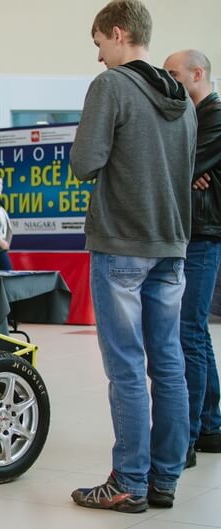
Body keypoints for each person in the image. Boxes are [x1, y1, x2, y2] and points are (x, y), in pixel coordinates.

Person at [69, 0, 196, 513]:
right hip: (171, 244)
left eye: (99, 43)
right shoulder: (184, 99)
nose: (98, 55)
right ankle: (165, 480)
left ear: (118, 33)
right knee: (169, 363)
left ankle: (128, 482)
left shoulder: (111, 86)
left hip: (121, 243)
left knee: (126, 367)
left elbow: (85, 162)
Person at [164, 49, 221, 461]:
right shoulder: (193, 116)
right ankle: (211, 425)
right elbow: (180, 165)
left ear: (197, 73)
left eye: (174, 74)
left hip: (202, 235)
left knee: (188, 332)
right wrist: (184, 170)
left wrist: (184, 169)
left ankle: (186, 437)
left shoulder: (214, 115)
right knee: (195, 332)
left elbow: (178, 165)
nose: (168, 81)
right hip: (193, 233)